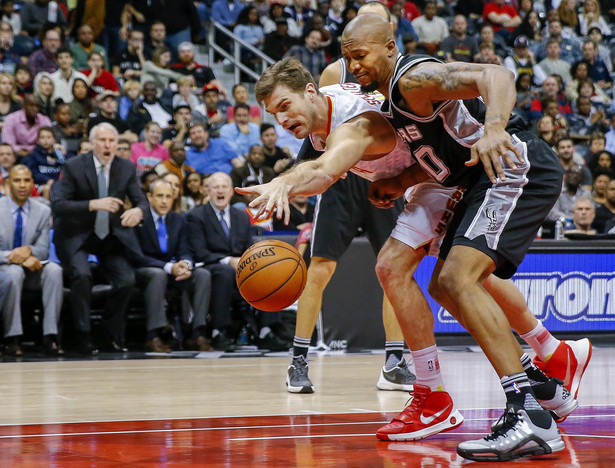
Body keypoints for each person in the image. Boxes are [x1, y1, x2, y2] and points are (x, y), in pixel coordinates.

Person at [242, 21, 582, 461]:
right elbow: (352, 157)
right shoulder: (351, 110)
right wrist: (403, 176)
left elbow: (327, 169)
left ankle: (536, 377)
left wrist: (494, 126)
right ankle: (532, 379)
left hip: (488, 167)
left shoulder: (376, 103)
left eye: (284, 106)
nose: (354, 64)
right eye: (349, 57)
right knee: (439, 279)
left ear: (311, 91)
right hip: (440, 176)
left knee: (458, 278)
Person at [51, 122, 148, 355]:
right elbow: (58, 205)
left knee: (126, 280)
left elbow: (142, 200)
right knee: (82, 276)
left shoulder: (125, 167)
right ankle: (81, 336)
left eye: (112, 141)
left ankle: (108, 334)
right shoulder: (74, 166)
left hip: (110, 237)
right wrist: (93, 204)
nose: (108, 145)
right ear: (93, 144)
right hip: (78, 235)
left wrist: (139, 211)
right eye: (103, 141)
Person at [134, 178, 212, 352]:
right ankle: (154, 335)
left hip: (173, 271)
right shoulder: (139, 218)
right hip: (145, 270)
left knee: (202, 274)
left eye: (168, 197)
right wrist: (169, 267)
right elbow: (137, 256)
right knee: (157, 274)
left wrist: (185, 264)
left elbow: (185, 249)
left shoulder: (178, 220)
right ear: (149, 197)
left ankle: (197, 332)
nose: (164, 201)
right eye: (159, 196)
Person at [185, 172, 253, 351]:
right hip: (211, 266)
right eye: (215, 187)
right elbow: (200, 252)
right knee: (225, 272)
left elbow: (249, 248)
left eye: (224, 187)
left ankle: (268, 330)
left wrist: (246, 262)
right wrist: (229, 260)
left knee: (267, 270)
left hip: (241, 266)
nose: (220, 191)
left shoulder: (242, 216)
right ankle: (218, 330)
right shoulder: (196, 216)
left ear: (231, 192)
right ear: (208, 191)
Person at [0, 165, 63, 356]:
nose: (22, 185)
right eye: (17, 180)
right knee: (14, 273)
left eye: (27, 180)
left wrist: (27, 250)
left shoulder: (43, 210)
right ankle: (12, 338)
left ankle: (50, 336)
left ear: (32, 184)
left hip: (32, 266)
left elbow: (43, 250)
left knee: (54, 270)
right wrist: (14, 257)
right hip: (4, 268)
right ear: (7, 184)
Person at [1, 93, 52, 159]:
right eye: (31, 105)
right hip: (15, 155)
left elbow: (49, 141)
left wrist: (32, 151)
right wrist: (21, 151)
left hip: (38, 154)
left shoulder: (44, 120)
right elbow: (7, 143)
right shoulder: (11, 118)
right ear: (24, 106)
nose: (34, 109)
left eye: (37, 106)